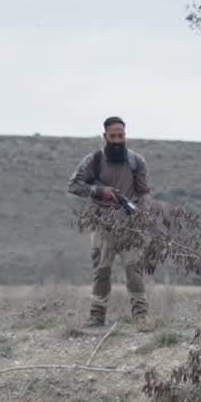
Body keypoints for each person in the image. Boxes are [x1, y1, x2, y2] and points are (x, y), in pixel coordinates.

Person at [67, 116, 151, 327]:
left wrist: (141, 216)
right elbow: (74, 185)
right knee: (101, 271)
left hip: (129, 224)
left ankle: (141, 317)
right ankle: (97, 317)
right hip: (102, 223)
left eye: (120, 136)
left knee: (134, 270)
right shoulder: (93, 160)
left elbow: (144, 193)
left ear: (125, 135)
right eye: (112, 136)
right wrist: (99, 190)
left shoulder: (136, 161)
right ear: (105, 136)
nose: (117, 140)